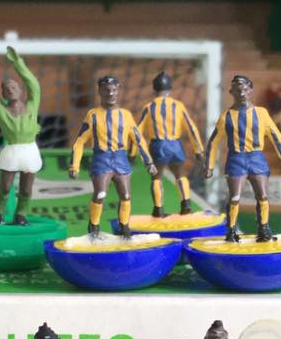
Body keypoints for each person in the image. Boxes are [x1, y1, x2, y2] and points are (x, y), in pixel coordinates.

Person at [204, 74, 281, 243]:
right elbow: (213, 141)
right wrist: (209, 166)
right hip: (236, 159)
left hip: (256, 158)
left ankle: (264, 229)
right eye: (238, 90)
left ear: (251, 90)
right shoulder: (226, 116)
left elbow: (276, 135)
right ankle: (231, 230)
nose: (242, 93)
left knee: (263, 196)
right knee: (234, 197)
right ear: (231, 92)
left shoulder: (261, 113)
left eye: (245, 89)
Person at [69, 75, 157, 237]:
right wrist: (74, 165)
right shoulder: (93, 115)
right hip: (101, 159)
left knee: (126, 195)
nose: (110, 93)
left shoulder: (126, 115)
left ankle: (124, 225)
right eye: (106, 90)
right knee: (100, 194)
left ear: (118, 91)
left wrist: (149, 162)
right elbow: (80, 141)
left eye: (114, 90)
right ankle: (94, 225)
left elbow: (138, 140)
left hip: (120, 158)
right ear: (100, 92)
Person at [0, 45, 42, 226]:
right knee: (5, 186)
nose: (10, 90)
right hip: (11, 151)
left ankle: (21, 215)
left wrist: (17, 62)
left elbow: (34, 84)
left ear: (21, 90)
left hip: (30, 151)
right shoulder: (1, 110)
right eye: (6, 88)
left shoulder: (32, 105)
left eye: (14, 86)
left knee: (26, 188)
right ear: (3, 94)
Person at [137, 71, 204, 217]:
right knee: (180, 175)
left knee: (156, 177)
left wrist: (134, 151)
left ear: (154, 88)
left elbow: (137, 132)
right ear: (170, 88)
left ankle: (158, 209)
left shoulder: (148, 107)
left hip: (158, 146)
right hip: (175, 146)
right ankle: (186, 204)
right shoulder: (178, 105)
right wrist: (198, 149)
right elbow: (191, 127)